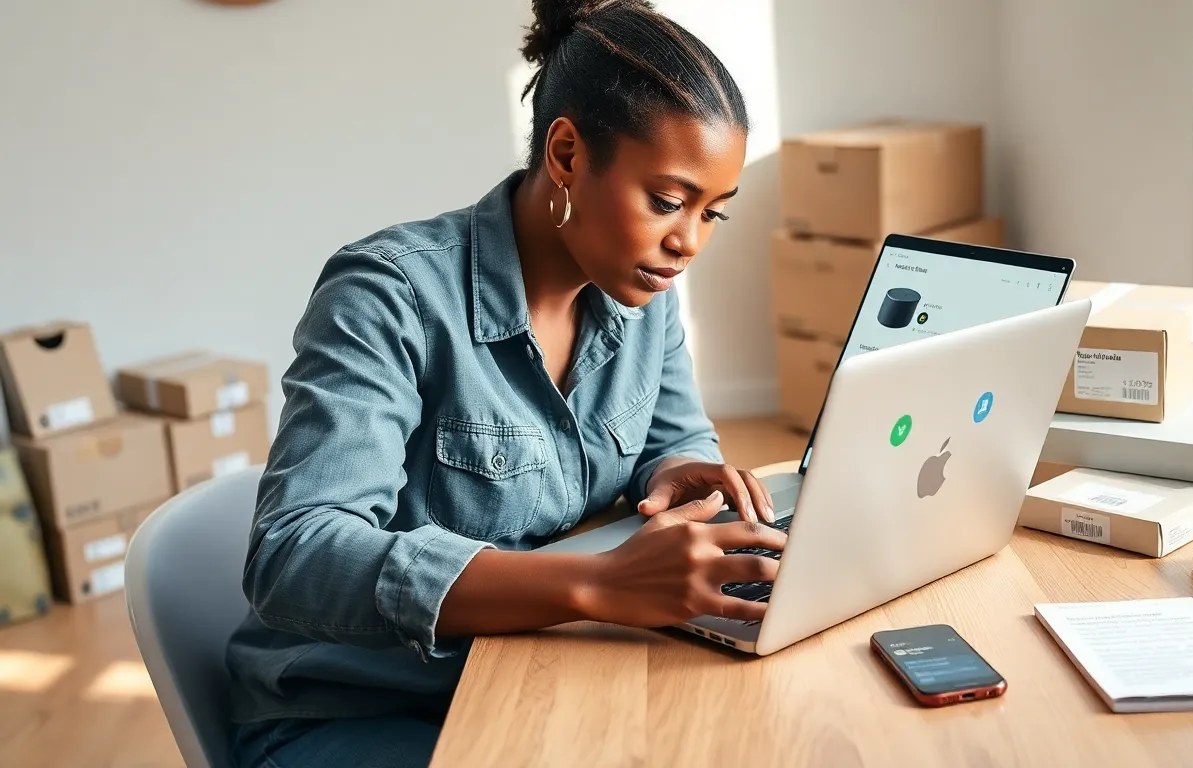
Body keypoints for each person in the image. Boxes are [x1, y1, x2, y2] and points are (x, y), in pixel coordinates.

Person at [225, 1, 789, 765]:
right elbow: (296, 554)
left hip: (534, 667)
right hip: (357, 708)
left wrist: (676, 471)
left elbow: (673, 433)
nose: (687, 241)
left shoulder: (639, 286)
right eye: (666, 201)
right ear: (566, 154)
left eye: (712, 213)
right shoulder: (389, 295)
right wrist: (593, 586)